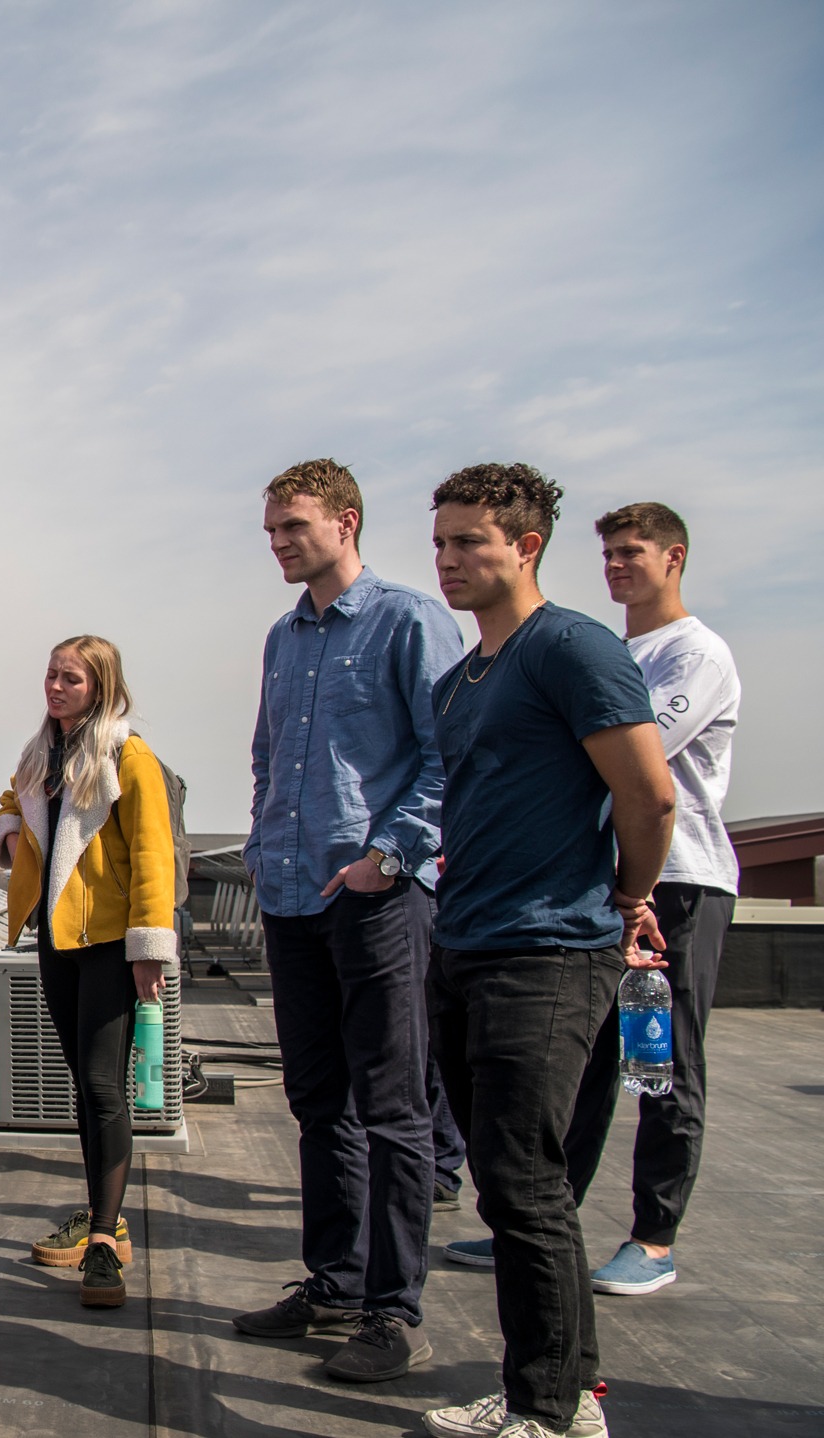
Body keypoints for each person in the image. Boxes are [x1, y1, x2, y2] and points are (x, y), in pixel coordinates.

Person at [417, 465, 675, 1438]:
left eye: (470, 541)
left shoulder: (573, 648)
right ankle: (556, 1387)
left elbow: (648, 795)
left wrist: (631, 895)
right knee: (510, 1181)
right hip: (469, 941)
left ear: (526, 545)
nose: (449, 560)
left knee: (526, 1180)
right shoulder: (460, 681)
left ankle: (553, 1409)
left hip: (553, 948)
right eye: (441, 541)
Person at [446, 502, 739, 1300]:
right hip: (594, 882)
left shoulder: (692, 652)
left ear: (674, 558)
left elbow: (642, 764)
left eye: (633, 552)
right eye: (607, 552)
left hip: (672, 881)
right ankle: (548, 1219)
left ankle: (653, 1236)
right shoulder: (605, 648)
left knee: (662, 1061)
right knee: (582, 1073)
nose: (615, 566)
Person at [232, 460, 464, 1381]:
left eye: (293, 527)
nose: (281, 544)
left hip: (377, 901)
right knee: (317, 1102)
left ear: (345, 521)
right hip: (290, 898)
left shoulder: (409, 621)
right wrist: (259, 848)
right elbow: (267, 755)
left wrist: (389, 856)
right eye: (272, 532)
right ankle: (331, 1284)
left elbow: (452, 756)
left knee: (393, 1108)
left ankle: (391, 1310)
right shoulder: (283, 638)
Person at [0, 635, 178, 1310]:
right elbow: (15, 800)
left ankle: (103, 1240)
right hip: (55, 937)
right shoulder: (42, 753)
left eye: (70, 677)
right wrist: (9, 831)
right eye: (50, 674)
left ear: (99, 686)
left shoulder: (128, 754)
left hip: (108, 940)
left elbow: (154, 855)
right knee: (84, 1086)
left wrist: (149, 952)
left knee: (104, 1086)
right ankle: (105, 1213)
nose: (55, 685)